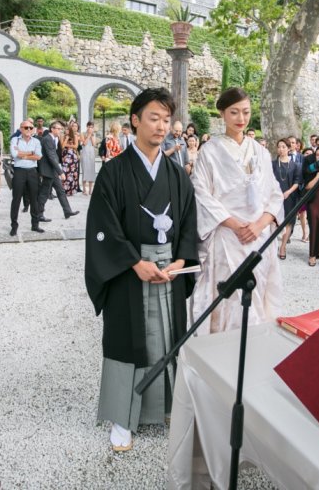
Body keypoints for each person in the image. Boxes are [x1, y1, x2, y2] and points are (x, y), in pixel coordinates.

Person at [85, 87, 198, 452]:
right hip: (128, 271)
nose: (162, 126)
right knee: (127, 340)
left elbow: (188, 223)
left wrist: (181, 260)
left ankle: (165, 406)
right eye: (154, 118)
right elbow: (102, 227)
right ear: (135, 120)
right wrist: (134, 262)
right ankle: (123, 415)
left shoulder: (176, 173)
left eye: (167, 119)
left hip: (169, 271)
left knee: (168, 337)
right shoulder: (114, 172)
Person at [190, 88, 283, 335]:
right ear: (222, 113)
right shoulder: (209, 151)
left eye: (246, 112)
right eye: (234, 112)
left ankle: (254, 349)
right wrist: (234, 224)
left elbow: (274, 193)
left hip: (258, 238)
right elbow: (201, 193)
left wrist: (260, 224)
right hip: (227, 236)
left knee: (257, 295)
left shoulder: (261, 152)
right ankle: (223, 353)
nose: (241, 118)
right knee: (228, 298)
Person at [37, 121, 79, 222]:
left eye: (61, 129)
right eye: (58, 129)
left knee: (60, 191)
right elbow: (51, 156)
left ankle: (67, 211)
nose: (60, 131)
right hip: (48, 170)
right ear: (52, 129)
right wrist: (60, 172)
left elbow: (55, 156)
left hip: (52, 170)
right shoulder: (48, 139)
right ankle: (39, 214)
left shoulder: (54, 139)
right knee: (44, 193)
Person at [9, 119, 44, 235]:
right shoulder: (15, 140)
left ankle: (35, 225)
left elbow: (39, 157)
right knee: (16, 198)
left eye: (30, 127)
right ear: (21, 129)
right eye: (26, 127)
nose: (28, 129)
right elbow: (14, 154)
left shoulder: (36, 141)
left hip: (32, 172)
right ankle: (14, 226)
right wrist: (31, 153)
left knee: (34, 199)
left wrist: (23, 154)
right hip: (19, 171)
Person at [271, 138, 301, 260]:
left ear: (289, 148)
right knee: (274, 222)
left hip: (290, 197)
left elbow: (297, 181)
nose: (281, 149)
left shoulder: (295, 165)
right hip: (275, 196)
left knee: (289, 222)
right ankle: (273, 246)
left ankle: (283, 246)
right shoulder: (273, 164)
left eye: (284, 147)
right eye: (279, 147)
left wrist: (288, 192)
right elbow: (269, 180)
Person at [61, 122, 80, 196]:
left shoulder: (74, 136)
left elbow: (76, 146)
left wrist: (67, 145)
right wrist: (66, 139)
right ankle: (64, 190)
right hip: (65, 156)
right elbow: (62, 146)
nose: (66, 131)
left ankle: (71, 190)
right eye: (65, 129)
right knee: (65, 172)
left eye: (67, 129)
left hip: (73, 156)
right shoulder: (62, 136)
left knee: (72, 173)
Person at [80, 121, 98, 195]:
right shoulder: (82, 133)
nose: (90, 128)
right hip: (84, 153)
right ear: (86, 127)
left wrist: (92, 135)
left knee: (91, 171)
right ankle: (84, 189)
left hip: (91, 153)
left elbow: (94, 144)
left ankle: (91, 189)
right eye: (89, 126)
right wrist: (89, 135)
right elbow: (84, 143)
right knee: (85, 170)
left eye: (91, 127)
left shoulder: (94, 134)